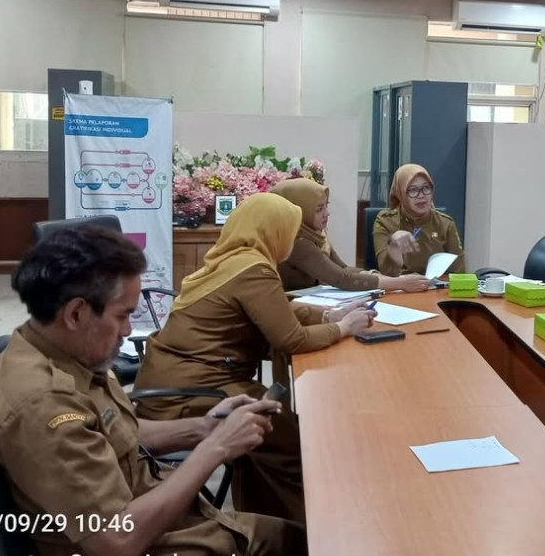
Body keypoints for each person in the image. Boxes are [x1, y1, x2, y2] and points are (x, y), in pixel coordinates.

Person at [0, 224, 310, 556]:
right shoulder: (43, 404)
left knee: (311, 549)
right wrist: (214, 449)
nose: (129, 330)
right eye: (122, 315)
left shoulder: (68, 355)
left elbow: (119, 433)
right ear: (76, 313)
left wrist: (204, 427)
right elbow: (117, 542)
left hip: (178, 532)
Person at [134, 193, 375, 523]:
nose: (292, 237)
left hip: (177, 381)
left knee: (275, 430)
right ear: (273, 230)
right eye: (290, 229)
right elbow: (290, 338)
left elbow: (280, 310)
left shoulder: (232, 258)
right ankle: (300, 531)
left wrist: (330, 316)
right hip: (190, 393)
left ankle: (268, 521)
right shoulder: (253, 269)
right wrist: (343, 328)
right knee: (285, 434)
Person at [272, 176, 430, 293]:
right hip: (295, 311)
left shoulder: (317, 234)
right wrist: (399, 283)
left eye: (326, 206)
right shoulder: (295, 240)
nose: (327, 214)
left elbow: (343, 268)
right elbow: (340, 278)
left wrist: (373, 275)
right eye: (318, 209)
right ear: (298, 210)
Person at [372, 163, 465, 277]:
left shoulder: (445, 223)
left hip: (436, 290)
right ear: (401, 193)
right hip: (399, 289)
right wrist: (394, 246)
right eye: (413, 190)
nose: (421, 196)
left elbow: (459, 273)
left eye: (426, 188)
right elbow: (387, 272)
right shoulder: (385, 221)